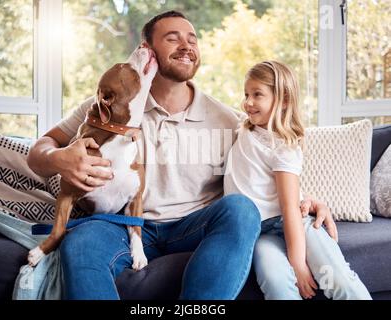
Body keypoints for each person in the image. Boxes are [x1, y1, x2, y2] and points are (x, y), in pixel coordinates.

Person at [27, 11, 337, 300]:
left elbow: (268, 168)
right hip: (124, 224)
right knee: (81, 243)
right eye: (173, 38)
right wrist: (59, 160)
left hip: (195, 226)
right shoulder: (108, 108)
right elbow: (39, 151)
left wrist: (303, 199)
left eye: (192, 39)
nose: (186, 46)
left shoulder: (229, 121)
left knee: (241, 210)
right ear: (147, 49)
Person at [224, 60, 371, 300]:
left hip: (295, 222)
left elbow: (289, 207)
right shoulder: (244, 129)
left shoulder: (284, 146)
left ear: (282, 100)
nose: (248, 102)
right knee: (276, 283)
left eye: (257, 94)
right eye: (246, 94)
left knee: (337, 278)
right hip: (259, 233)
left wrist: (299, 264)